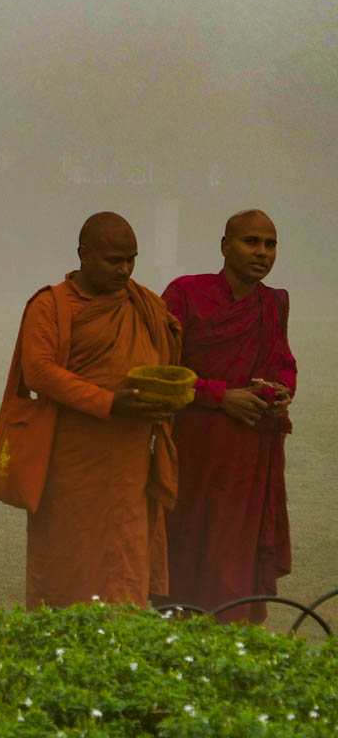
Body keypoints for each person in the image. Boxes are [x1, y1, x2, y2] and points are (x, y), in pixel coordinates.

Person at [0, 211, 181, 608]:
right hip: (71, 464)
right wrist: (110, 402)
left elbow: (167, 358)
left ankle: (120, 637)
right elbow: (39, 372)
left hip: (131, 463)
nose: (124, 270)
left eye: (131, 259)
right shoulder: (51, 305)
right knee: (67, 563)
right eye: (114, 260)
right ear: (83, 254)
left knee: (125, 557)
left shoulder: (145, 305)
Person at [157, 210, 295, 623]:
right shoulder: (185, 293)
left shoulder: (274, 303)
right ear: (224, 246)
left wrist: (282, 389)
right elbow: (162, 368)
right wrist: (220, 396)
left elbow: (283, 361)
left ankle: (233, 633)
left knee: (237, 553)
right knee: (189, 546)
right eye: (251, 242)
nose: (262, 252)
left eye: (270, 244)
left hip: (251, 456)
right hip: (197, 449)